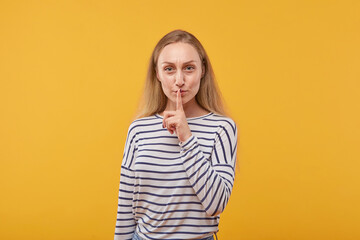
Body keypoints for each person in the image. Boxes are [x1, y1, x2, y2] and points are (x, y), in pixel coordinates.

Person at [114, 29, 238, 240]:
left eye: (189, 68)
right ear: (158, 74)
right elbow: (126, 205)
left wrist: (187, 137)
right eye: (169, 69)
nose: (179, 80)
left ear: (202, 71)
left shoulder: (223, 128)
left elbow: (216, 204)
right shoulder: (138, 129)